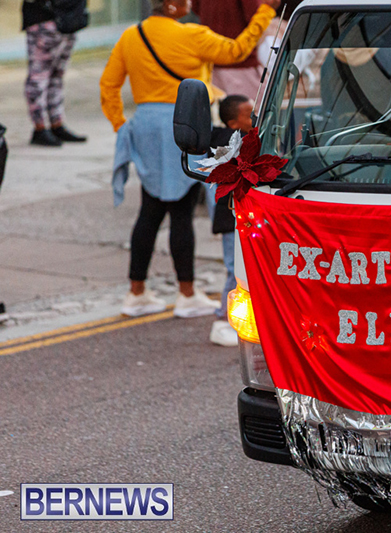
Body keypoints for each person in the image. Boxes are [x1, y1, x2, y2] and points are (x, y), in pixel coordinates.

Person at [99, 0, 277, 318]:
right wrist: (264, 12)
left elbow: (108, 85)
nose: (191, 3)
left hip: (145, 125)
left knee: (150, 209)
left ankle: (136, 293)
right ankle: (187, 294)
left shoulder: (130, 36)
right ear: (171, 5)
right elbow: (237, 51)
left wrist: (120, 125)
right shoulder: (193, 35)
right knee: (182, 209)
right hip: (184, 124)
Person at [208, 95, 253, 346]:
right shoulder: (233, 143)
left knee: (240, 268)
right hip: (231, 218)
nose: (254, 118)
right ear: (234, 124)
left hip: (241, 218)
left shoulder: (239, 138)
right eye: (249, 115)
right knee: (234, 270)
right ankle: (224, 320)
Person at [23, 0, 88, 147]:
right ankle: (40, 127)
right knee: (38, 77)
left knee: (57, 77)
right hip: (44, 20)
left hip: (69, 21)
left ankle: (56, 124)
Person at [194, 0, 282, 99]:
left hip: (213, 64)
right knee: (255, 106)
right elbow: (255, 14)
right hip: (242, 66)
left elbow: (195, 8)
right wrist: (268, 9)